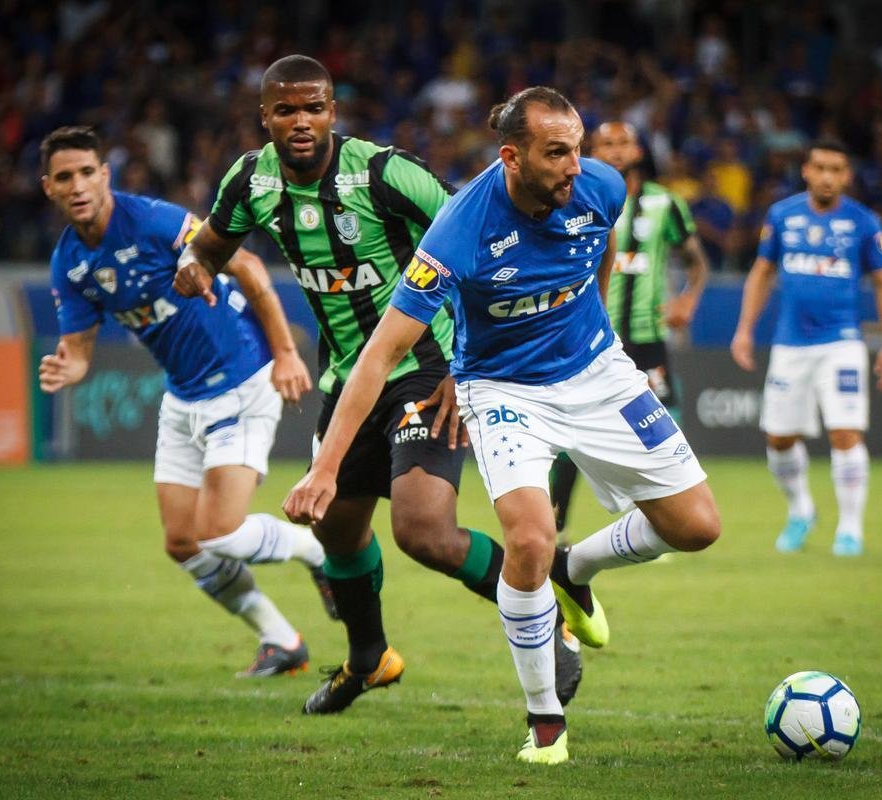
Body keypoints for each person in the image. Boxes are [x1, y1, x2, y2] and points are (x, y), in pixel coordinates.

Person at [282, 86, 721, 765]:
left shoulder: (600, 186)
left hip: (598, 371)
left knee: (697, 527)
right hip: (504, 390)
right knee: (527, 539)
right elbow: (380, 355)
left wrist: (594, 318)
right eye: (557, 153)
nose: (576, 166)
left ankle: (575, 571)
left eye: (578, 149)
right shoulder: (459, 230)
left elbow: (600, 246)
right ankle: (545, 720)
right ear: (511, 156)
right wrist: (324, 467)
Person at [171, 56, 587, 716]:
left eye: (314, 108)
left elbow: (479, 238)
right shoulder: (251, 180)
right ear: (265, 118)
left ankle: (550, 616)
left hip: (427, 366)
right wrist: (195, 268)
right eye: (286, 110)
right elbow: (212, 247)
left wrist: (464, 364)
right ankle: (370, 659)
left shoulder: (384, 174)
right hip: (349, 378)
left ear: (333, 111)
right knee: (337, 531)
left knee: (422, 530)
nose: (300, 121)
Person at [37, 125, 333, 678]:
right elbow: (78, 352)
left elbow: (244, 264)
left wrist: (287, 353)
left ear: (105, 175)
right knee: (181, 541)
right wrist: (65, 368)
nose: (77, 185)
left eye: (85, 173)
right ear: (48, 187)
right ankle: (281, 640)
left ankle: (320, 553)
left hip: (242, 378)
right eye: (63, 177)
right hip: (182, 397)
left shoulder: (151, 220)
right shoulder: (69, 264)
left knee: (219, 529)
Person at [730, 138, 882, 557]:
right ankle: (801, 510)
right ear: (806, 170)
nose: (827, 176)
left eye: (836, 169)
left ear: (847, 176)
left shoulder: (864, 222)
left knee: (845, 431)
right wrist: (744, 330)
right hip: (790, 344)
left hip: (842, 342)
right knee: (779, 439)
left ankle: (850, 529)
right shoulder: (782, 215)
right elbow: (761, 273)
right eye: (820, 167)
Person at [548, 120, 709, 537]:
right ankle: (556, 525)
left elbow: (696, 261)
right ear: (592, 153)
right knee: (571, 436)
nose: (617, 151)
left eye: (624, 143)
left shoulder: (665, 203)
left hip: (647, 335)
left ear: (639, 151)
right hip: (591, 338)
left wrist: (687, 300)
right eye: (607, 145)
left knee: (662, 428)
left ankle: (661, 521)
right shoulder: (573, 200)